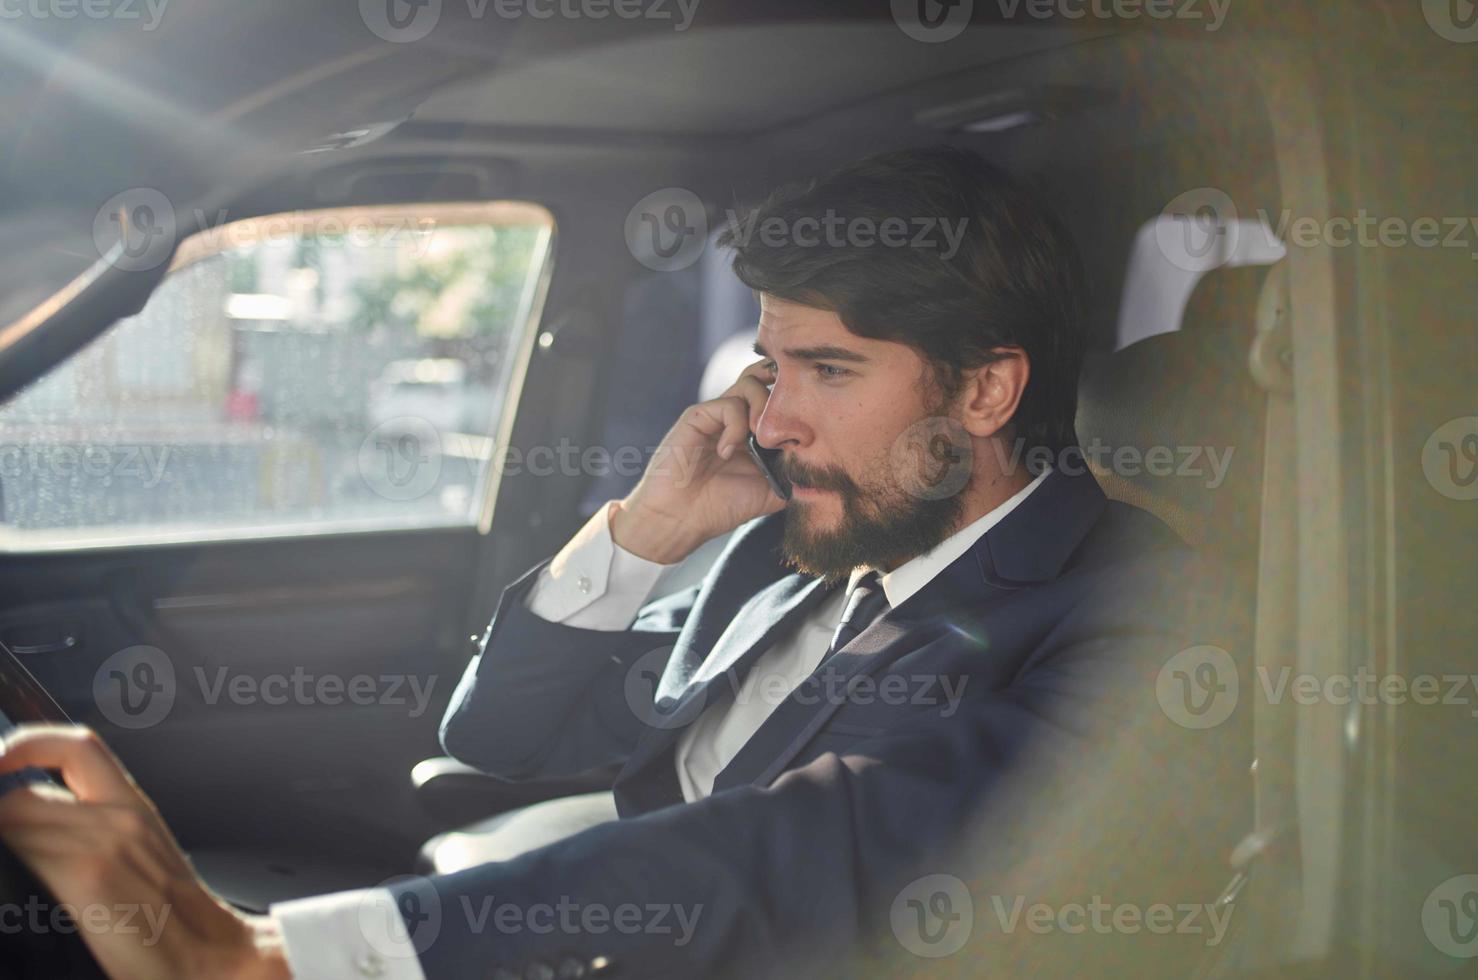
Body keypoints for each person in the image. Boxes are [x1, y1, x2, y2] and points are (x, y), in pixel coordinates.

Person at [0, 146, 1246, 979]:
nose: (768, 417)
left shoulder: (1137, 609)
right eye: (771, 365)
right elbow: (494, 737)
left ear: (984, 389)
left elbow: (829, 838)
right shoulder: (789, 541)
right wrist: (644, 534)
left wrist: (301, 958)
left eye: (827, 370)